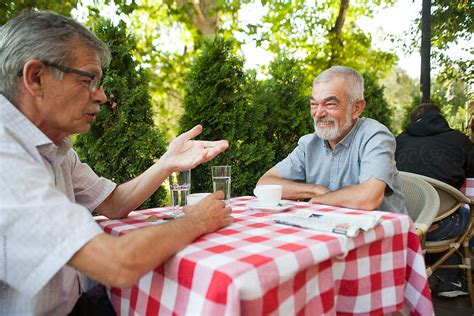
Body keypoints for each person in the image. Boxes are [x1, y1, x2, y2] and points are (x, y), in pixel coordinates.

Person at [0, 11, 233, 315]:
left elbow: (113, 203)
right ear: (36, 77)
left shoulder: (53, 146)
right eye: (89, 80)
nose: (102, 96)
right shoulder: (6, 157)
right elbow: (117, 265)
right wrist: (198, 221)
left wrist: (167, 163)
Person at [257, 66, 407, 214]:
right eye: (314, 104)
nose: (318, 113)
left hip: (382, 233)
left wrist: (320, 200)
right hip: (331, 229)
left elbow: (369, 198)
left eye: (330, 104)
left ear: (357, 108)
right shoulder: (308, 144)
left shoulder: (375, 136)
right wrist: (315, 190)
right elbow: (264, 184)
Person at [395, 103, 474, 297]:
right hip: (441, 227)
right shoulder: (460, 141)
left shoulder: (399, 141)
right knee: (462, 212)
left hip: (401, 226)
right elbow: (472, 195)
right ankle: (450, 278)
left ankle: (435, 276)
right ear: (440, 117)